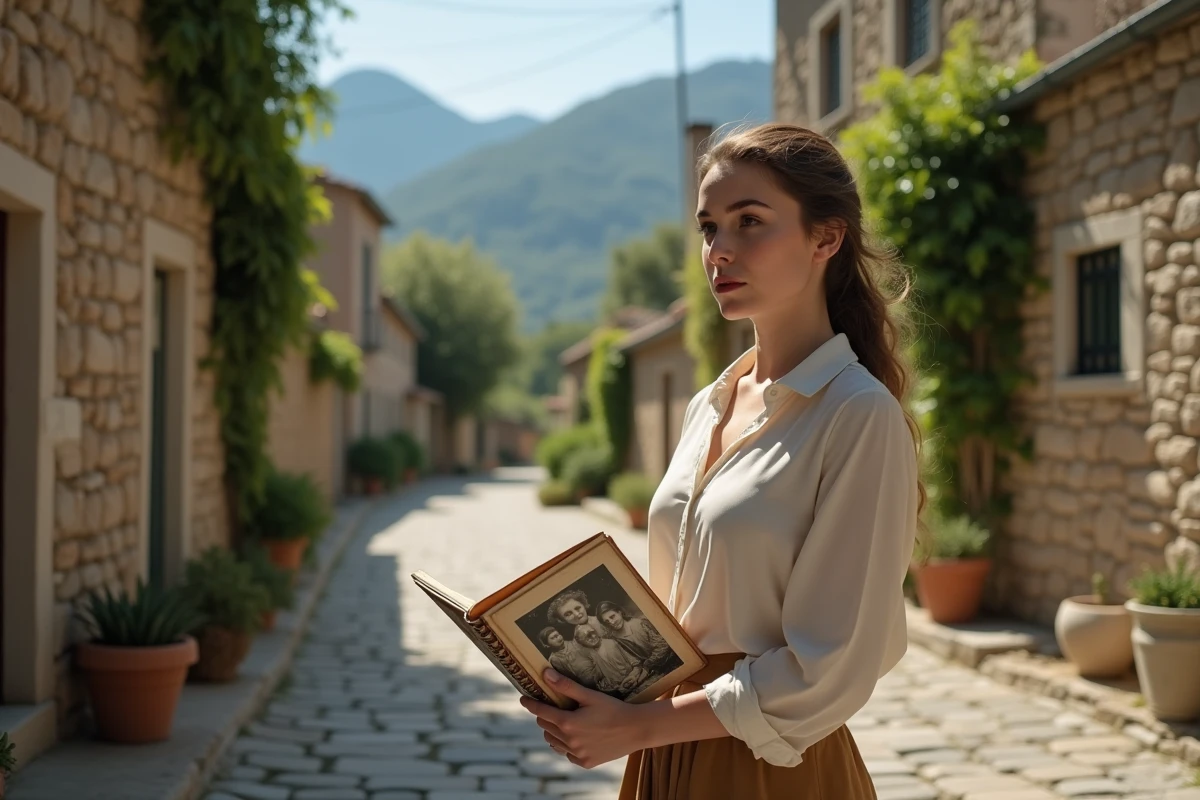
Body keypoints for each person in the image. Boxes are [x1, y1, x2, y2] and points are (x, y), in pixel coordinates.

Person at [519, 122, 922, 799]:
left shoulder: (857, 415)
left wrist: (640, 727)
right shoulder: (709, 402)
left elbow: (833, 667)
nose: (719, 251)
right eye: (709, 228)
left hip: (767, 769)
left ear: (827, 238)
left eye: (750, 222)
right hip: (666, 751)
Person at [597, 601, 675, 676]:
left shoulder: (640, 624)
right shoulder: (616, 639)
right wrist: (634, 675)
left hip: (670, 662)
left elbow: (663, 645)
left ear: (619, 612)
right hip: (650, 671)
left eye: (612, 617)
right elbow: (635, 662)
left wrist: (647, 665)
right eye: (607, 621)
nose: (612, 622)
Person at [572, 625, 647, 697]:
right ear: (581, 642)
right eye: (587, 637)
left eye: (593, 632)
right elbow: (600, 679)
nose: (593, 636)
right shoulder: (591, 656)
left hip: (637, 678)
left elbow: (636, 663)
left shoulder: (613, 643)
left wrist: (632, 676)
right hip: (619, 690)